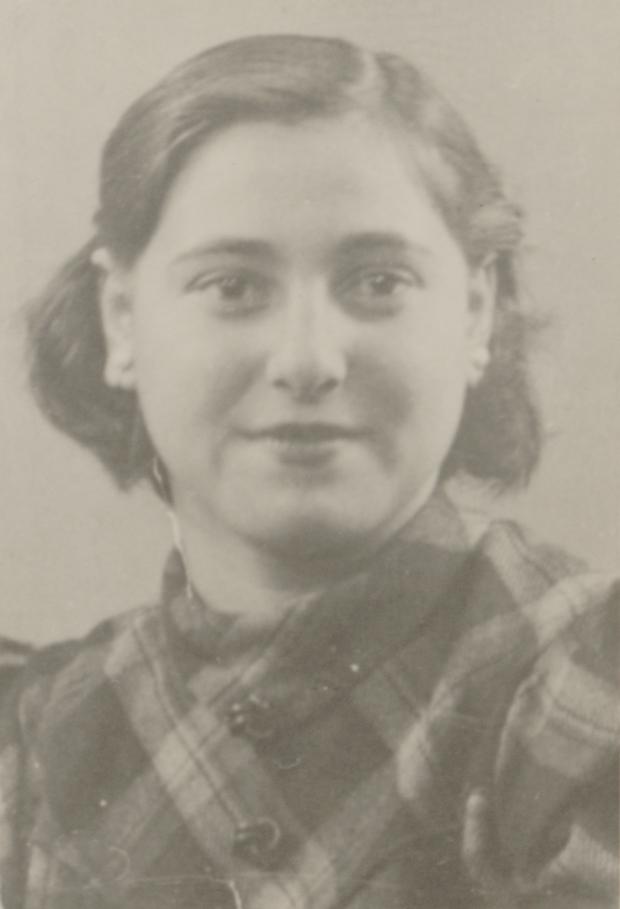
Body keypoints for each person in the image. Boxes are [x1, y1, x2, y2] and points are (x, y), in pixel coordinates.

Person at [0, 33, 617, 909]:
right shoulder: (43, 736)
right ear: (123, 319)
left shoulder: (578, 686)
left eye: (378, 281)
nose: (307, 360)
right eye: (232, 287)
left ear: (475, 312)